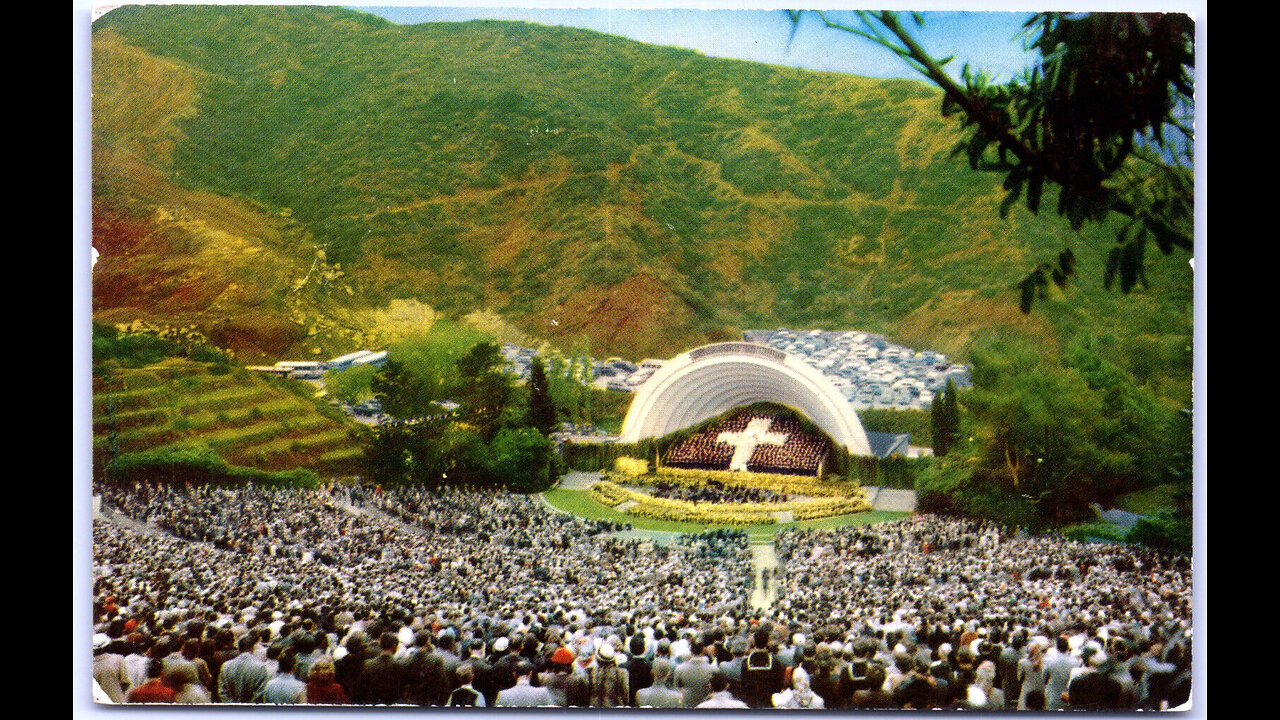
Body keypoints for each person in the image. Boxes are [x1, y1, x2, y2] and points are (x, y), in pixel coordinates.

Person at [218, 634, 270, 704]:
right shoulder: (261, 667)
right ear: (253, 648)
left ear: (239, 648)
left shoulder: (226, 665)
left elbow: (223, 692)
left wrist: (232, 705)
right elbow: (260, 694)